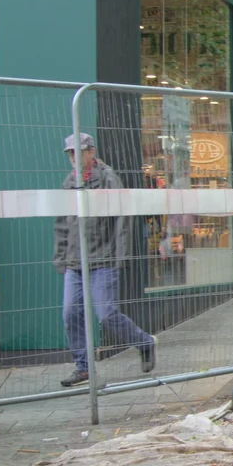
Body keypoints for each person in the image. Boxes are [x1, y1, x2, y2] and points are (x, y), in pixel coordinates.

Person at [53, 133, 155, 386]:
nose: (74, 157)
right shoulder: (69, 183)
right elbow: (62, 223)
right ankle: (83, 367)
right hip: (75, 262)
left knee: (106, 314)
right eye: (70, 153)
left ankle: (144, 342)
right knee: (70, 314)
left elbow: (122, 218)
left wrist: (120, 254)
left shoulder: (108, 179)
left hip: (104, 258)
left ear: (91, 151)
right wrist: (61, 256)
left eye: (79, 151)